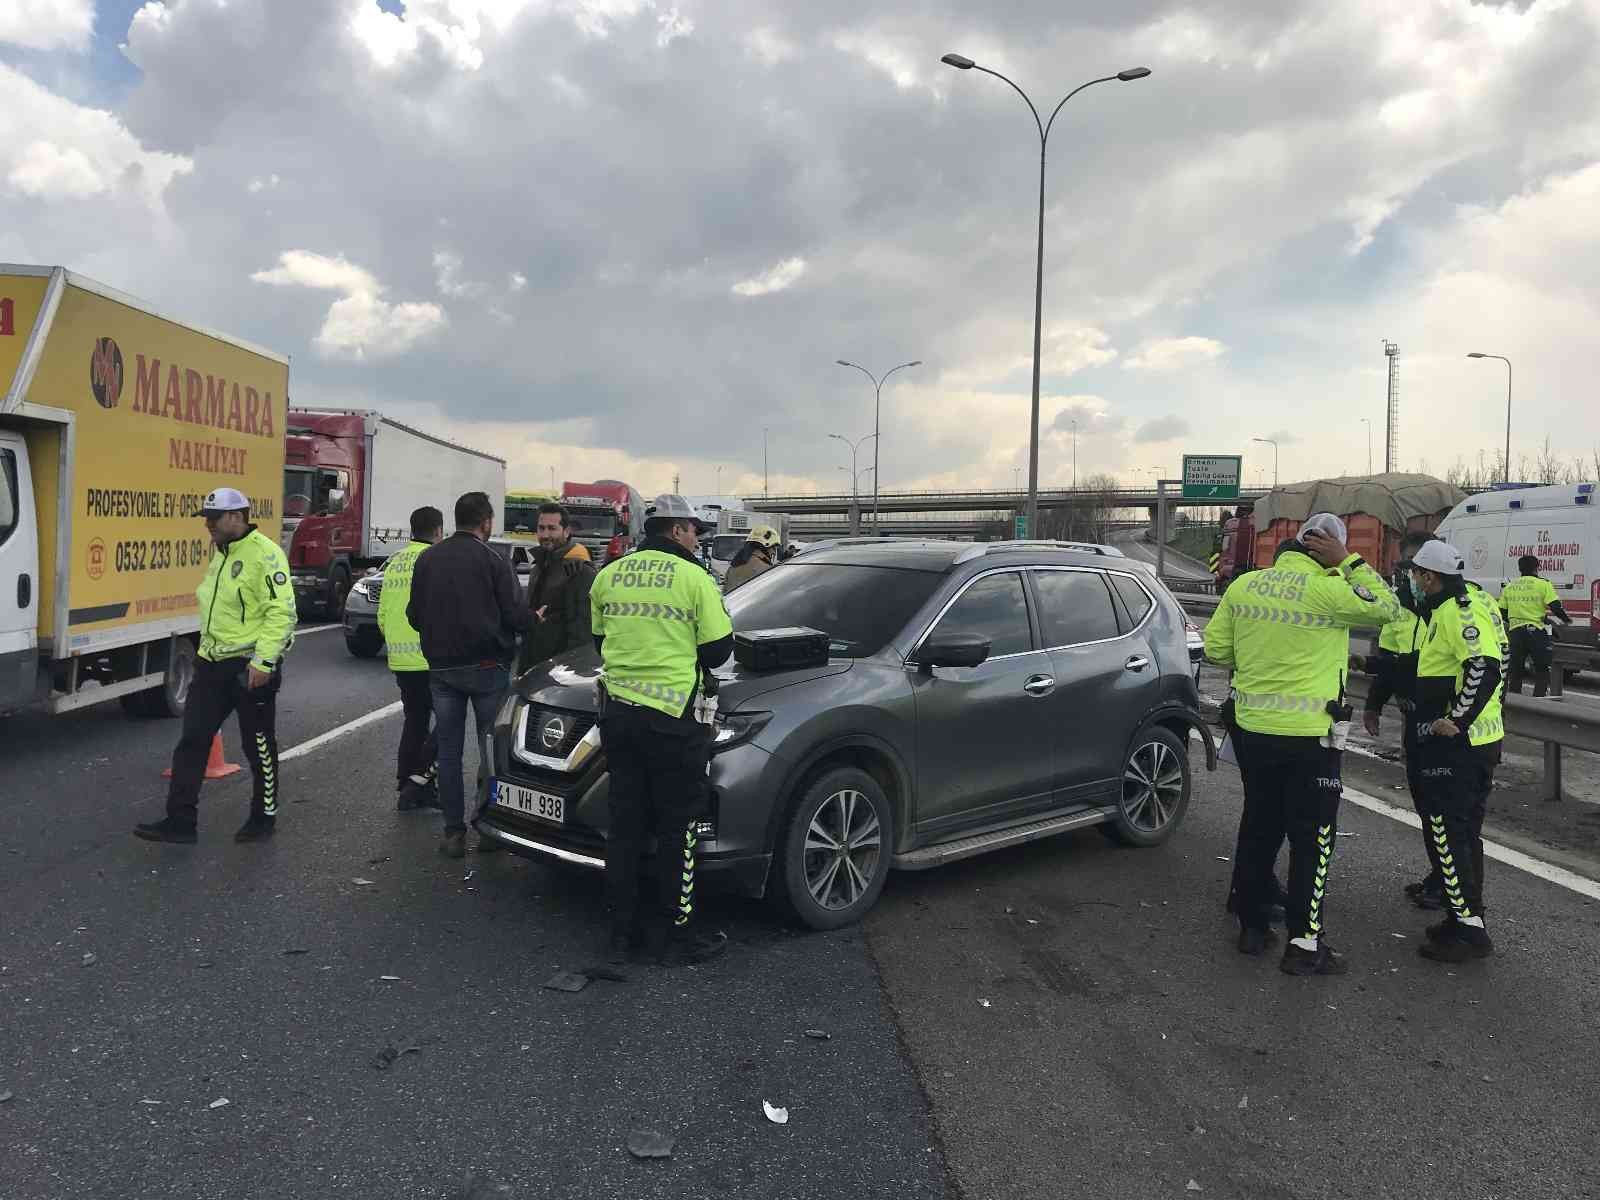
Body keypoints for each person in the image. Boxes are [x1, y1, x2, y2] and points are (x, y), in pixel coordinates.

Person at [1204, 513, 1400, 976]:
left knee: (1258, 828)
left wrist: (1257, 659)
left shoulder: (1245, 586)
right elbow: (1388, 609)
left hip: (1252, 731)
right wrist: (1350, 563)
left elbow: (1216, 650)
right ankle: (1305, 945)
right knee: (1312, 840)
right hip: (1310, 737)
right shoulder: (1329, 591)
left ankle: (1252, 929)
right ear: (1326, 550)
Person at [591, 494, 734, 967]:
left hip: (619, 717)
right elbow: (716, 652)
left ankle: (618, 935)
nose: (697, 537)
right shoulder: (694, 577)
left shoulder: (609, 575)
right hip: (674, 719)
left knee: (626, 826)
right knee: (679, 828)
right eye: (693, 528)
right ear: (676, 531)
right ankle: (675, 936)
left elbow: (599, 641)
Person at [135, 488, 296, 845]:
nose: (207, 524)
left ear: (237, 517)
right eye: (206, 517)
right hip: (212, 665)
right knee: (192, 741)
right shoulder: (221, 554)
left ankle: (263, 816)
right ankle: (180, 822)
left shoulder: (265, 555)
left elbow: (281, 612)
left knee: (259, 747)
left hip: (249, 667)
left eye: (213, 518)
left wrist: (264, 661)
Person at [407, 491, 535, 859]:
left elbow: (414, 615)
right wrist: (533, 620)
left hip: (442, 669)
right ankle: (489, 826)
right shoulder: (494, 560)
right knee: (491, 749)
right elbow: (514, 614)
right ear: (485, 522)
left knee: (448, 753)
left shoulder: (428, 559)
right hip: (487, 668)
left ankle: (452, 833)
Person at [1409, 540, 1507, 963]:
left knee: (1449, 836)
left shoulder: (1459, 611)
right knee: (1461, 836)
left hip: (1460, 748)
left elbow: (1485, 666)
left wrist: (1457, 720)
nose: (1412, 580)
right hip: (1473, 744)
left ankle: (1470, 930)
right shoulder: (1465, 603)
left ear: (1430, 576)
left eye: (1416, 574)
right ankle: (1464, 916)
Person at [1357, 530, 1442, 907]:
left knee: (1445, 813)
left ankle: (1451, 888)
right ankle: (1439, 875)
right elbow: (1392, 662)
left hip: (1443, 722)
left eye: (1416, 566)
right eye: (1405, 566)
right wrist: (1374, 703)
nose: (1410, 573)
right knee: (1426, 807)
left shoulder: (1450, 608)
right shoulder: (1397, 607)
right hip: (1413, 719)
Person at [380, 506, 444, 811]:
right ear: (438, 531)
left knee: (415, 721)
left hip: (400, 658)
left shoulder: (395, 561)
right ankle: (418, 778)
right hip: (428, 656)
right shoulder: (433, 559)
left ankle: (407, 782)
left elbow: (383, 612)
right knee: (448, 722)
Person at [515, 502, 595, 674]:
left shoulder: (579, 569)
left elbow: (582, 628)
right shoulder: (539, 565)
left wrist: (570, 671)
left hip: (558, 670)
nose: (545, 535)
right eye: (541, 528)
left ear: (566, 531)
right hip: (532, 663)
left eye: (552, 528)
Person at [1500, 554, 1571, 698]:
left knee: (1516, 670)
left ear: (1519, 568)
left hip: (1515, 633)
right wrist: (1566, 620)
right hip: (1536, 632)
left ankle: (1516, 700)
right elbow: (1555, 606)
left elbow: (1502, 611)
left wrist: (1515, 619)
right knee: (1541, 668)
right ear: (1536, 568)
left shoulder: (1510, 586)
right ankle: (1539, 699)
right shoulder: (1543, 584)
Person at [722, 525, 781, 593]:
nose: (773, 552)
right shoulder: (765, 570)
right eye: (773, 547)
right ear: (765, 545)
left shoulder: (734, 565)